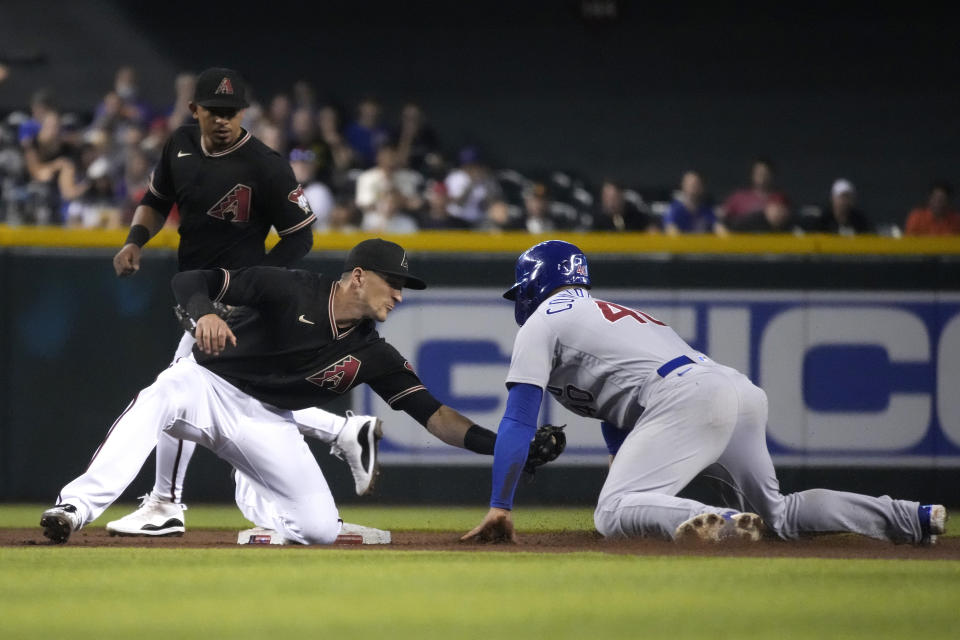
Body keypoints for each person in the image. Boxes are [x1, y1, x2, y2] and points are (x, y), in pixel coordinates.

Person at [462, 240, 948, 545]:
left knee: (612, 512)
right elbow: (619, 409)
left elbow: (518, 421)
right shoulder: (599, 314)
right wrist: (624, 463)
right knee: (777, 513)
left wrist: (501, 505)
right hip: (734, 390)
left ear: (533, 284)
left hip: (686, 397)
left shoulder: (543, 323)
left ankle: (718, 520)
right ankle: (909, 517)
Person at [40, 239, 506, 545]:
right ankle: (75, 507)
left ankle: (261, 508)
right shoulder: (291, 288)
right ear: (359, 276)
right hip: (205, 383)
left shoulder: (374, 354)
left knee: (320, 530)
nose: (401, 295)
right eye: (395, 283)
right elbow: (190, 281)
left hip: (267, 419)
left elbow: (437, 417)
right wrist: (204, 313)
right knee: (158, 396)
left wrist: (507, 447)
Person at [107, 67, 374, 538]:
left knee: (177, 387)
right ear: (196, 110)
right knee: (239, 395)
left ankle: (165, 503)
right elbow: (154, 199)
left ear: (244, 113)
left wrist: (259, 284)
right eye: (216, 111)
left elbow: (300, 235)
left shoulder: (265, 164)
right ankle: (341, 432)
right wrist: (135, 241)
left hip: (243, 303)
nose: (225, 120)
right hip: (199, 294)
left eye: (233, 112)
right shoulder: (180, 146)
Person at [720, 157, 789, 224]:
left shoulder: (780, 197)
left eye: (765, 173)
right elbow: (722, 216)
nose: (762, 177)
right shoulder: (738, 197)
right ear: (752, 174)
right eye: (759, 173)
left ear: (772, 175)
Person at [801, 178, 873, 235]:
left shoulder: (859, 220)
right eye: (842, 197)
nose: (845, 201)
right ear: (833, 198)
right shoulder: (823, 220)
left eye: (848, 197)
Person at [663, 170, 725, 235]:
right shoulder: (674, 209)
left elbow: (720, 228)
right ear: (683, 185)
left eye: (696, 184)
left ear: (702, 187)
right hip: (681, 244)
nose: (693, 187)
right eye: (690, 184)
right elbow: (671, 231)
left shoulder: (706, 209)